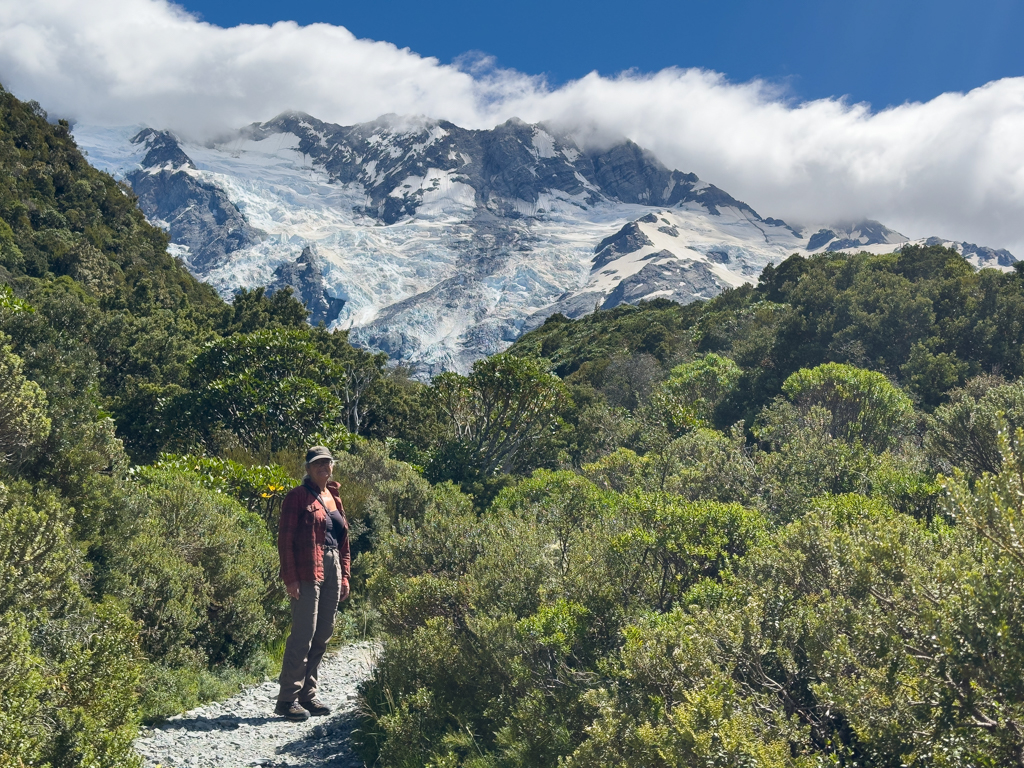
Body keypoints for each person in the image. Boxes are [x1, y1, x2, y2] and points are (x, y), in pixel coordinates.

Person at [274, 445, 351, 721]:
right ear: (307, 468)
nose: (323, 467)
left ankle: (308, 695)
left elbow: (343, 542)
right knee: (304, 633)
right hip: (308, 569)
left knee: (323, 633)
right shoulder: (296, 497)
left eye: (327, 462)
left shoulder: (334, 497)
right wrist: (290, 577)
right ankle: (287, 699)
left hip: (332, 568)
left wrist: (345, 575)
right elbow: (285, 540)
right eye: (317, 463)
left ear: (332, 466)